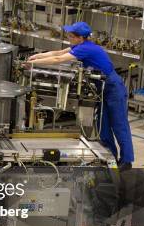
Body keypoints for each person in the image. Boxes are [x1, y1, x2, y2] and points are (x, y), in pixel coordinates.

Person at [24, 21, 134, 169]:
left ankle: (127, 161)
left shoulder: (86, 48)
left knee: (119, 123)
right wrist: (36, 56)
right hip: (101, 88)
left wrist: (34, 65)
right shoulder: (80, 45)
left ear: (80, 38)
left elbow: (58, 60)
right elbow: (57, 53)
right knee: (103, 124)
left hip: (113, 87)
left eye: (71, 36)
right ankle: (112, 157)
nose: (69, 38)